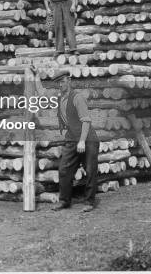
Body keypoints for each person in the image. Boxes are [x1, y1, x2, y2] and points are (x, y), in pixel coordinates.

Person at [32, 68, 99, 212]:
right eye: (58, 83)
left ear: (69, 81)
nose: (60, 85)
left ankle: (89, 202)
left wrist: (82, 141)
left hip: (87, 139)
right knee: (64, 169)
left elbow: (86, 121)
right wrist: (37, 76)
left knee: (90, 169)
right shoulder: (58, 97)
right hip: (71, 138)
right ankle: (64, 201)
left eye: (62, 82)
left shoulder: (77, 98)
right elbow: (43, 93)